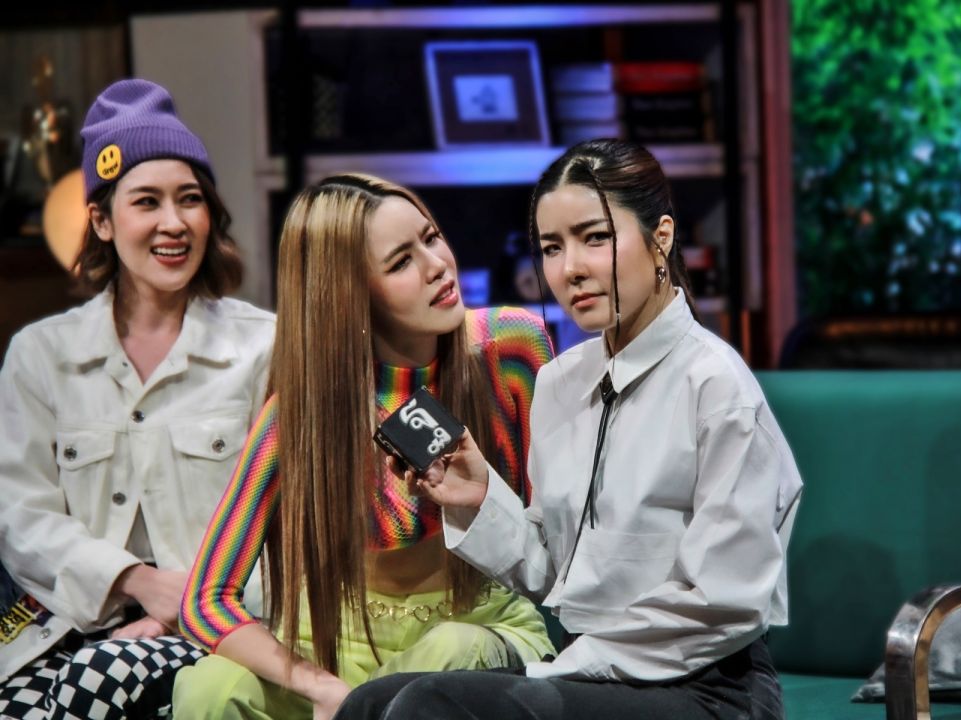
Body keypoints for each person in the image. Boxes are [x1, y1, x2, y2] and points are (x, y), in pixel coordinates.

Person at [333, 138, 805, 720]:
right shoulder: (561, 381)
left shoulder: (716, 387)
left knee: (431, 705)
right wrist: (480, 499)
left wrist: (574, 664)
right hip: (595, 673)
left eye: (595, 238)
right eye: (552, 247)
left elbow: (724, 606)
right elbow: (554, 572)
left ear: (660, 237)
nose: (570, 269)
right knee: (369, 702)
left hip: (708, 687)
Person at [173, 173, 556, 720]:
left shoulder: (511, 347)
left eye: (431, 237)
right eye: (401, 262)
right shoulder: (299, 416)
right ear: (350, 295)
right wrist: (321, 687)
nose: (437, 265)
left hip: (476, 625)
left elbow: (559, 530)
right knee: (210, 690)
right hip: (334, 646)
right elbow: (206, 601)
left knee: (444, 659)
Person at [0, 78, 276, 719]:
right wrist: (140, 584)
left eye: (190, 200)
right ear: (101, 220)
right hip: (64, 627)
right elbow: (21, 517)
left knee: (97, 682)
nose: (173, 223)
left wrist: (189, 606)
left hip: (224, 629)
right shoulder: (41, 355)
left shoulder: (265, 346)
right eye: (147, 201)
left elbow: (292, 525)